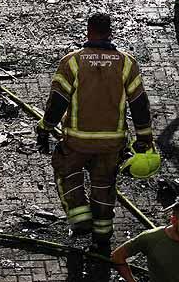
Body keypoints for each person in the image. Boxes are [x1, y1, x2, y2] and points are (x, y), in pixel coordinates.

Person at [36, 13, 154, 254]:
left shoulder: (72, 62)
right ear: (110, 32)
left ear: (88, 31)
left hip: (77, 142)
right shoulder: (127, 63)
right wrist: (144, 139)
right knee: (104, 187)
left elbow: (57, 102)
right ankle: (101, 241)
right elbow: (140, 104)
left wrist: (44, 129)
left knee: (65, 169)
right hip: (112, 145)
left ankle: (79, 219)